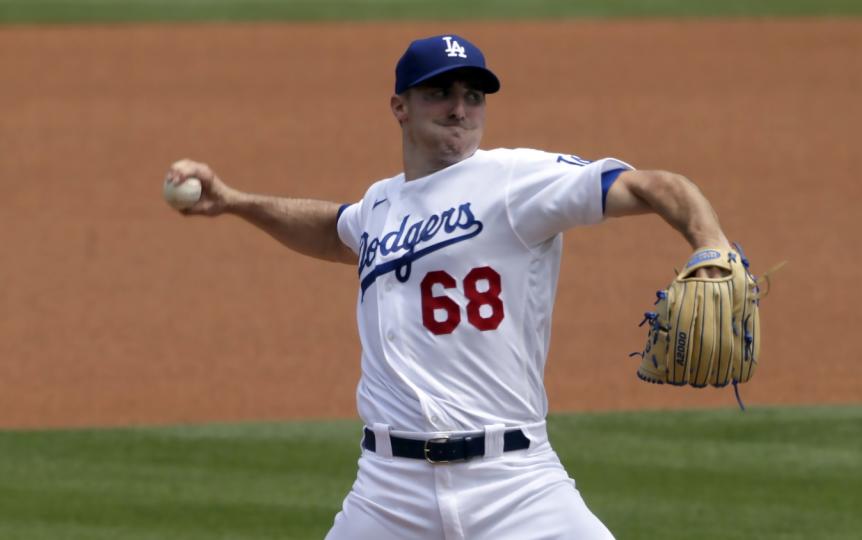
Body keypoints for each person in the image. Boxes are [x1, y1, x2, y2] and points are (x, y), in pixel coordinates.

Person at [166, 34, 729, 540]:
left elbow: (657, 185)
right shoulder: (382, 205)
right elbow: (337, 232)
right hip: (389, 491)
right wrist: (236, 202)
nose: (460, 109)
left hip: (515, 483)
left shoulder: (515, 180)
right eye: (439, 93)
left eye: (473, 96)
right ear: (400, 107)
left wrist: (711, 246)